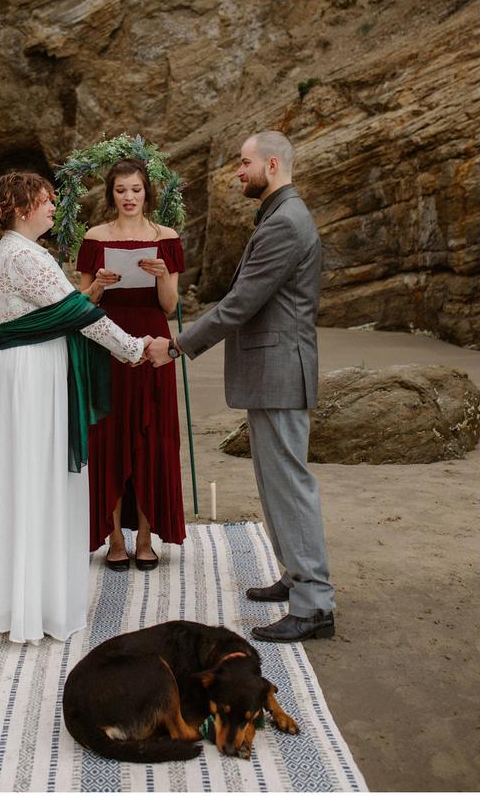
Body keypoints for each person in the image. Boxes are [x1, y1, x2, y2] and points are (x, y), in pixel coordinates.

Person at [146, 131, 335, 644]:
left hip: (280, 371)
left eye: (245, 162)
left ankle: (315, 604)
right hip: (272, 371)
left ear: (272, 165)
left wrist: (177, 345)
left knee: (289, 486)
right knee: (275, 484)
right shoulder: (278, 215)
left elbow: (241, 302)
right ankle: (296, 577)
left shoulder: (286, 222)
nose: (238, 171)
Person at [0, 171, 151, 643]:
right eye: (46, 200)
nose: (54, 206)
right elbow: (79, 315)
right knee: (37, 477)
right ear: (21, 208)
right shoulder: (26, 255)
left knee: (22, 480)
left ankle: (19, 599)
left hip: (23, 370)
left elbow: (63, 309)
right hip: (30, 376)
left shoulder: (15, 250)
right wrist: (134, 348)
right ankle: (36, 606)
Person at [77, 158, 187, 571]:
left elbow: (170, 306)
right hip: (106, 343)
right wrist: (98, 285)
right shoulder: (95, 237)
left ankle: (144, 538)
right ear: (111, 194)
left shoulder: (167, 238)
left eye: (136, 190)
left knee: (152, 438)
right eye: (121, 190)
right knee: (108, 438)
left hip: (152, 346)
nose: (129, 197)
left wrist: (161, 275)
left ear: (147, 193)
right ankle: (114, 539)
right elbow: (81, 305)